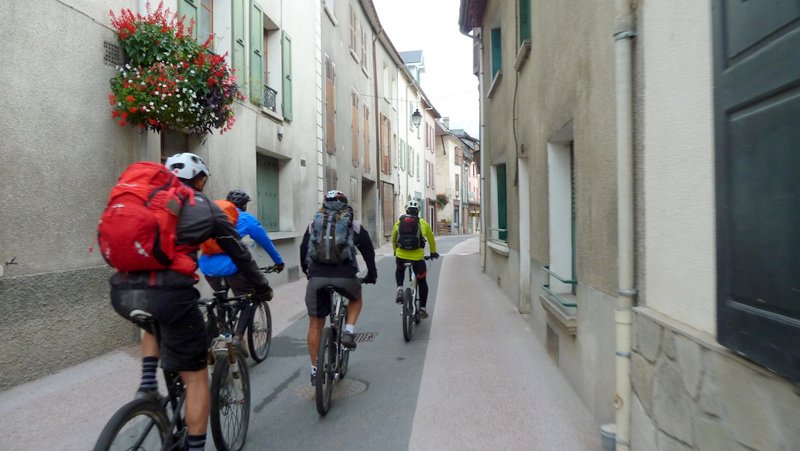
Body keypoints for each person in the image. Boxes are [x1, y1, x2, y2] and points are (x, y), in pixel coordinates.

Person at [108, 153, 270, 451]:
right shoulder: (204, 206)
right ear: (201, 180)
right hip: (170, 294)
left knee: (153, 319)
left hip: (122, 291)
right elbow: (238, 252)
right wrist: (262, 287)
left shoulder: (142, 196)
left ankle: (147, 387)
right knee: (196, 379)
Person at [300, 190, 377, 384]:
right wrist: (371, 275)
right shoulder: (354, 224)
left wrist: (308, 272)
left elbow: (304, 251)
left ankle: (315, 369)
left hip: (317, 276)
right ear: (345, 205)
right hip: (345, 276)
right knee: (356, 298)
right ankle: (349, 332)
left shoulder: (314, 224)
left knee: (315, 324)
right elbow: (368, 252)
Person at [198, 189, 284, 354]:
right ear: (244, 205)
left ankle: (222, 328)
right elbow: (265, 242)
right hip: (233, 267)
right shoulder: (247, 219)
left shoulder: (214, 217)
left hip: (208, 268)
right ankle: (237, 337)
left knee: (221, 297)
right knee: (247, 299)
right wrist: (278, 262)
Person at [391, 199, 439, 319]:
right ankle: (422, 309)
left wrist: (395, 251)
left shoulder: (398, 223)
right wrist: (433, 252)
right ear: (418, 211)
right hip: (417, 258)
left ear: (406, 210)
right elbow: (431, 239)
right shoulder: (423, 223)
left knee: (400, 269)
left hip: (401, 256)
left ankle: (400, 288)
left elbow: (393, 238)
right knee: (422, 281)